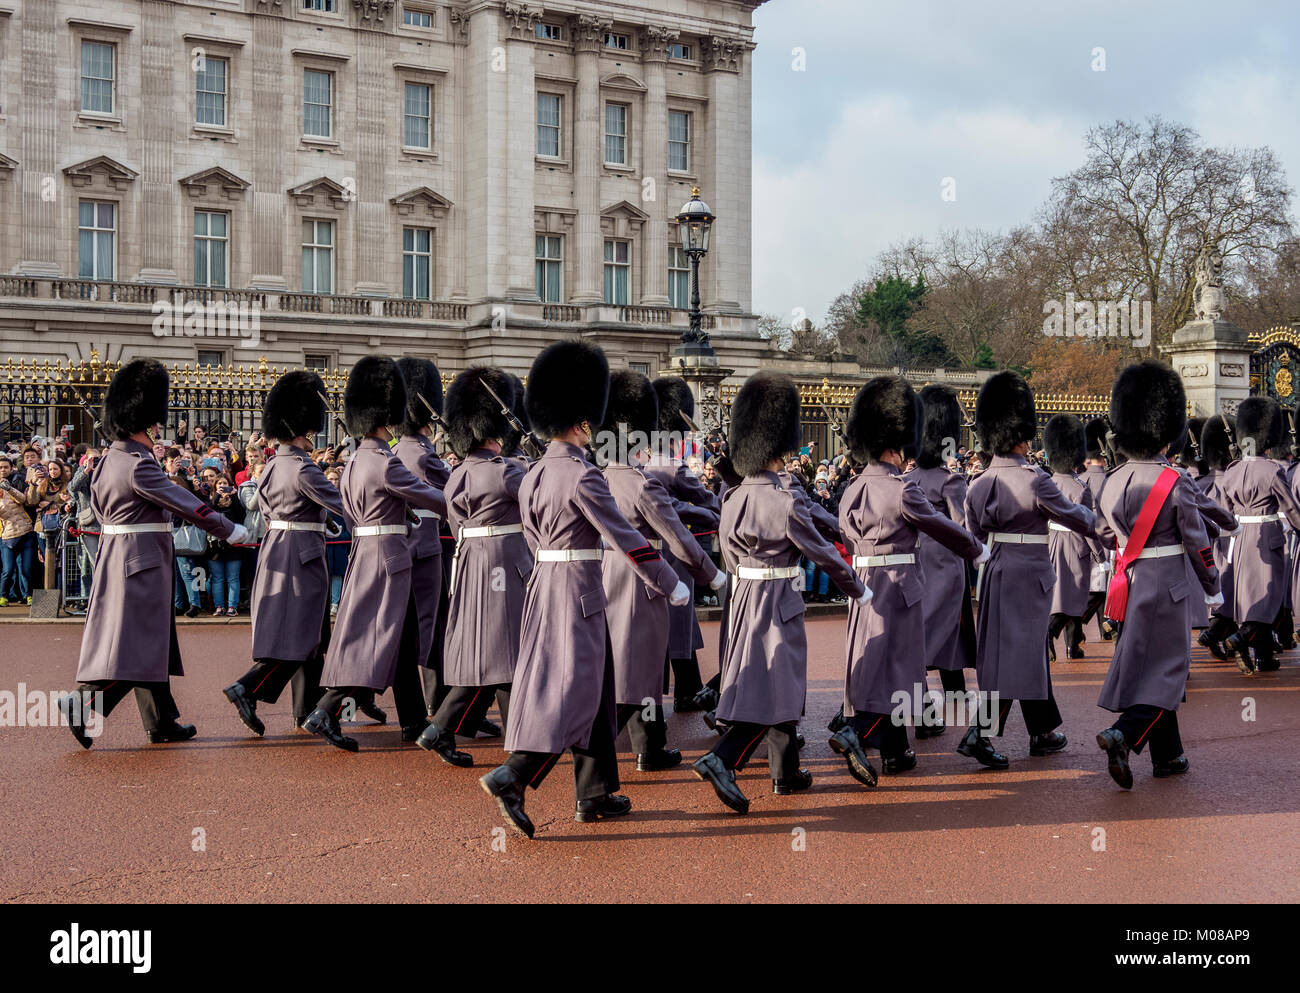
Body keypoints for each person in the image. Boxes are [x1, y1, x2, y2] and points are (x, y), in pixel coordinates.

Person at [480, 341, 687, 839]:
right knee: (573, 689)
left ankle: (594, 792)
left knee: (598, 688)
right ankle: (515, 773)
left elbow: (532, 535)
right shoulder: (583, 476)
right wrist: (669, 581)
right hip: (581, 591)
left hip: (544, 583)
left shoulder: (532, 475)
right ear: (582, 422)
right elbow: (627, 539)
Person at [693, 372, 868, 815]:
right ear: (781, 448)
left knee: (770, 683)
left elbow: (729, 556)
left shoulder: (731, 498)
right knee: (775, 685)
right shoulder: (785, 502)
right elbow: (825, 555)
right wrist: (857, 589)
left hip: (745, 594)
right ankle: (723, 758)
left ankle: (785, 773)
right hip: (779, 599)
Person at [59, 359, 248, 747]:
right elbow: (185, 504)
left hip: (122, 554)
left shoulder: (109, 460)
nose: (158, 430)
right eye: (154, 423)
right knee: (139, 642)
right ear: (142, 423)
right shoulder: (137, 465)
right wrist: (229, 529)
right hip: (141, 559)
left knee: (151, 639)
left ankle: (161, 721)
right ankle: (83, 702)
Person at [829, 377, 985, 786]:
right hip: (900, 582)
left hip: (862, 582)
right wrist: (975, 549)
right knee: (901, 666)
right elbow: (942, 527)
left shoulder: (850, 489)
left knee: (877, 662)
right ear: (896, 445)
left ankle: (896, 751)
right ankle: (858, 731)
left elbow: (844, 536)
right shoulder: (900, 490)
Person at [304, 356, 449, 751]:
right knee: (375, 636)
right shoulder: (386, 463)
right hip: (390, 558)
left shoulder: (353, 462)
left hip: (366, 550)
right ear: (387, 417)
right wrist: (470, 505)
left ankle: (414, 721)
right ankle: (327, 711)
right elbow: (433, 498)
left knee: (400, 640)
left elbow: (352, 510)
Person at [959, 371, 1095, 769]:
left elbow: (974, 536)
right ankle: (979, 734)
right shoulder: (1036, 481)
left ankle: (1043, 730)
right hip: (1030, 572)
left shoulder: (978, 484)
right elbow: (1077, 518)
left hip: (997, 570)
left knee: (1020, 650)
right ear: (1022, 434)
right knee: (1018, 655)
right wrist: (1105, 524)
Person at [1094, 362, 1221, 788]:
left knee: (1150, 667)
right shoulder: (1174, 480)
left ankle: (1169, 756)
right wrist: (1213, 585)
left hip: (1128, 583)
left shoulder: (1112, 481)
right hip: (1169, 584)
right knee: (1168, 671)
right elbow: (1196, 541)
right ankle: (1124, 734)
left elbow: (1099, 531)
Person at [597, 370, 727, 772]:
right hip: (652, 573)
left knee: (634, 662)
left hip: (612, 572)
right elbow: (682, 531)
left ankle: (649, 747)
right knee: (645, 663)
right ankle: (606, 748)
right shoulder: (650, 478)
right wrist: (712, 574)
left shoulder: (602, 475)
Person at [417, 367, 531, 765]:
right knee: (511, 650)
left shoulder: (458, 473)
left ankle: (442, 729)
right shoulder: (507, 472)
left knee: (491, 652)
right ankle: (523, 739)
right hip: (506, 563)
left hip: (469, 564)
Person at [223, 372, 343, 736]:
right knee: (304, 635)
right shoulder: (303, 469)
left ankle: (305, 710)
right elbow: (343, 502)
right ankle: (248, 686)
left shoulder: (273, 465)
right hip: (303, 553)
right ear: (303, 429)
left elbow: (267, 505)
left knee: (308, 635)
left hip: (278, 547)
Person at [900, 384, 979, 737]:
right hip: (946, 564)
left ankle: (945, 699)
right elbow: (963, 528)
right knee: (939, 632)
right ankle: (931, 710)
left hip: (916, 562)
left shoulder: (907, 479)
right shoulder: (952, 481)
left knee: (927, 631)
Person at [645, 376, 719, 712]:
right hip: (675, 553)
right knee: (679, 623)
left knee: (662, 625)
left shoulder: (638, 463)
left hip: (644, 556)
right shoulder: (674, 469)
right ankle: (687, 690)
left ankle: (687, 687)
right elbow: (709, 505)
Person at [391, 357, 454, 743]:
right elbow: (453, 492)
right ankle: (439, 707)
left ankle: (423, 710)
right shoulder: (422, 452)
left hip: (403, 546)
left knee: (411, 630)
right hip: (427, 547)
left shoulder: (396, 449)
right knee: (432, 629)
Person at [1219, 397, 1300, 675]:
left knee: (1249, 595)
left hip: (1240, 539)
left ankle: (1264, 657)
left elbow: (1224, 514)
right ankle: (1241, 638)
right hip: (1268, 537)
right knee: (1270, 598)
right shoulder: (1272, 470)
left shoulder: (1232, 471)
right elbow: (1291, 509)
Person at [1043, 414, 1105, 661]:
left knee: (1067, 595)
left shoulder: (1047, 482)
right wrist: (1101, 556)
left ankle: (1073, 645)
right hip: (1075, 546)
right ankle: (1049, 633)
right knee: (1073, 597)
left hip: (1051, 543)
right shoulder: (1080, 488)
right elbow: (1088, 527)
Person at [1198, 415, 1239, 660]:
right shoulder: (1236, 478)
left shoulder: (1201, 483)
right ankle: (1219, 633)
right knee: (1232, 593)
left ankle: (1216, 633)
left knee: (1216, 591)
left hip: (1209, 543)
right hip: (1233, 541)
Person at [205, 472, 246, 616]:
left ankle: (232, 607)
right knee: (217, 578)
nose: (223, 486)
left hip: (233, 546)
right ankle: (219, 606)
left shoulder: (235, 500)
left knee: (233, 577)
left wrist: (234, 496)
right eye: (220, 484)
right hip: (214, 546)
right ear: (215, 486)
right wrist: (216, 496)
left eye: (225, 484)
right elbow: (207, 513)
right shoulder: (211, 500)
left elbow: (241, 515)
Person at [0, 456, 36, 606]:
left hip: (26, 532)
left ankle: (28, 595)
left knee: (26, 570)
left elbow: (23, 499)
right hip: (7, 536)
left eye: (5, 467)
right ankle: (3, 596)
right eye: (0, 468)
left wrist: (9, 489)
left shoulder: (15, 482)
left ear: (11, 468)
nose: (3, 470)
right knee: (8, 570)